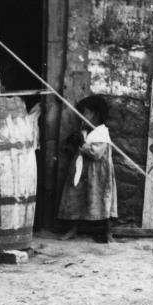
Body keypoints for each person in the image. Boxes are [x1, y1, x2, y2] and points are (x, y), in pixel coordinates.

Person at [56, 94, 117, 243]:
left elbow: (95, 153)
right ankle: (73, 229)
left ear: (94, 114)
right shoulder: (85, 129)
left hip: (99, 175)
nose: (81, 116)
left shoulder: (102, 133)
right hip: (82, 171)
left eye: (84, 112)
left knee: (103, 199)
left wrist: (82, 143)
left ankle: (108, 233)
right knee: (76, 197)